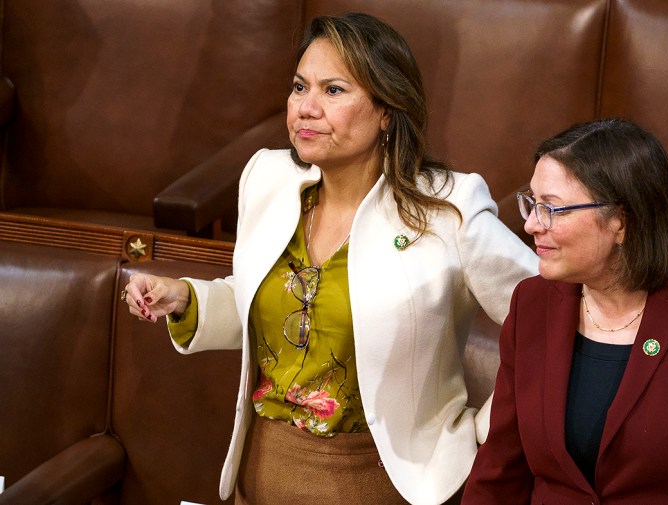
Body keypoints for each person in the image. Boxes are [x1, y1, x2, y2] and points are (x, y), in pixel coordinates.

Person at [121, 12, 537, 505]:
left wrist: (469, 434)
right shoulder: (267, 180)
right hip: (260, 471)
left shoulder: (449, 207)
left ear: (387, 108)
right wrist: (187, 298)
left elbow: (545, 320)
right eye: (300, 87)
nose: (306, 108)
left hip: (379, 484)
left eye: (333, 91)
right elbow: (269, 303)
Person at [462, 118, 668, 504]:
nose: (531, 224)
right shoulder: (532, 303)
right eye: (531, 203)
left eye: (551, 209)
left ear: (621, 220)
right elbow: (500, 468)